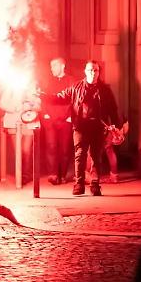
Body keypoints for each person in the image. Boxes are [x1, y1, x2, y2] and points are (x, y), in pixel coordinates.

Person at [52, 60, 119, 196]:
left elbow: (113, 109)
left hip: (98, 127)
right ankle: (79, 184)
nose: (93, 73)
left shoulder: (105, 89)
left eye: (95, 70)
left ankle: (95, 184)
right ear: (85, 71)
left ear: (99, 72)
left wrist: (116, 126)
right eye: (90, 70)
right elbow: (61, 97)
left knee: (95, 156)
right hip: (81, 126)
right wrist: (43, 96)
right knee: (80, 155)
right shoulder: (76, 87)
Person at [41, 57, 76, 185]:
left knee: (65, 149)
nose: (52, 69)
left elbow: (75, 99)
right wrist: (45, 114)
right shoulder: (48, 81)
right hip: (50, 119)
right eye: (51, 66)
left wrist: (71, 116)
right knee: (51, 146)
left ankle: (62, 174)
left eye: (54, 65)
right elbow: (43, 97)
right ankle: (53, 174)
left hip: (66, 120)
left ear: (62, 66)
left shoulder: (71, 81)